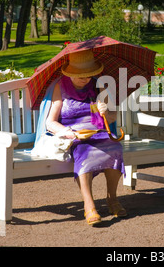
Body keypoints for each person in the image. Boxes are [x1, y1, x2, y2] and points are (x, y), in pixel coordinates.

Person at [45, 49, 127, 226]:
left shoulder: (99, 85)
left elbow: (112, 117)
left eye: (89, 74)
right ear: (71, 73)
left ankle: (112, 198)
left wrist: (107, 111)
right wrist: (69, 133)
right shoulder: (60, 87)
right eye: (81, 75)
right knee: (85, 150)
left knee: (115, 148)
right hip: (73, 134)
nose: (86, 78)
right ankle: (89, 204)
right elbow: (50, 122)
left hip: (98, 131)